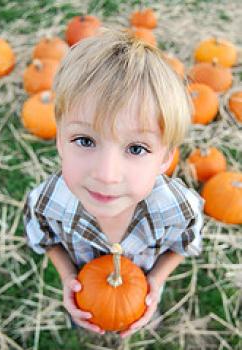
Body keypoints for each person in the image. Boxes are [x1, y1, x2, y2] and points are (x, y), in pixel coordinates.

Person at [23, 28, 204, 338]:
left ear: (165, 159)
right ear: (59, 140)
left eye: (136, 149)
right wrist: (68, 278)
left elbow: (184, 245)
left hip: (140, 288)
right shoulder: (47, 201)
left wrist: (156, 283)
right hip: (85, 293)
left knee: (141, 311)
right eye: (84, 140)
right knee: (83, 321)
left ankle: (149, 309)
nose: (106, 174)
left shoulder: (177, 207)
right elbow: (47, 238)